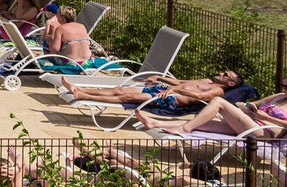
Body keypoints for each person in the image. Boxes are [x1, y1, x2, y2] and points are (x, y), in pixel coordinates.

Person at [136, 91, 287, 139]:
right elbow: (255, 103)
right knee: (203, 122)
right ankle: (155, 123)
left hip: (265, 132)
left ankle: (185, 129)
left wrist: (265, 118)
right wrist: (251, 108)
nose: (283, 88)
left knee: (218, 101)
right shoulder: (279, 96)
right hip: (251, 122)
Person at [60, 70, 242, 108]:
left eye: (226, 74)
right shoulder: (207, 80)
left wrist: (174, 92)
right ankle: (81, 89)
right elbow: (179, 80)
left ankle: (81, 94)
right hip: (164, 92)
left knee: (126, 98)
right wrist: (159, 77)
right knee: (119, 90)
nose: (221, 73)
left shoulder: (218, 91)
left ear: (230, 84)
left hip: (170, 100)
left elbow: (197, 95)